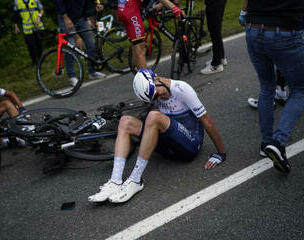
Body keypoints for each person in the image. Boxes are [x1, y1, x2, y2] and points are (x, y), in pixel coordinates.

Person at [88, 68, 226, 203]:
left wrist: (221, 153)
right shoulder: (154, 89)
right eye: (154, 98)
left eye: (156, 93)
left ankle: (135, 180)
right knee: (125, 122)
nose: (159, 98)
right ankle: (115, 181)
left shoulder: (182, 89)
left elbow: (207, 121)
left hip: (190, 145)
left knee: (153, 116)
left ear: (157, 79)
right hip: (169, 144)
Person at [245, 0, 304, 173]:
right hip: (285, 31)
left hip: (253, 28)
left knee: (267, 86)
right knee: (300, 90)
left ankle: (266, 143)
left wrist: (245, 13)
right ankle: (278, 142)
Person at [117, 0, 183, 70]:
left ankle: (140, 77)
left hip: (123, 8)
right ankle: (146, 79)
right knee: (140, 48)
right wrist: (173, 8)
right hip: (130, 10)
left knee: (135, 45)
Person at [55, 0, 107, 87]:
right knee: (71, 46)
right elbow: (58, 0)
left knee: (91, 44)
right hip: (66, 18)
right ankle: (72, 76)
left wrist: (96, 5)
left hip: (81, 18)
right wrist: (66, 18)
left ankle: (92, 72)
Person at [200, 0, 228, 75]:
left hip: (215, 0)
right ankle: (221, 58)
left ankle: (216, 65)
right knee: (216, 31)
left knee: (214, 31)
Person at [13, 0, 44, 65]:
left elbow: (42, 10)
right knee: (30, 45)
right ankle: (34, 61)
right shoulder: (17, 2)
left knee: (38, 43)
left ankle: (41, 59)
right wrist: (16, 26)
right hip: (27, 28)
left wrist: (39, 16)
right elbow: (15, 15)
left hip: (37, 26)